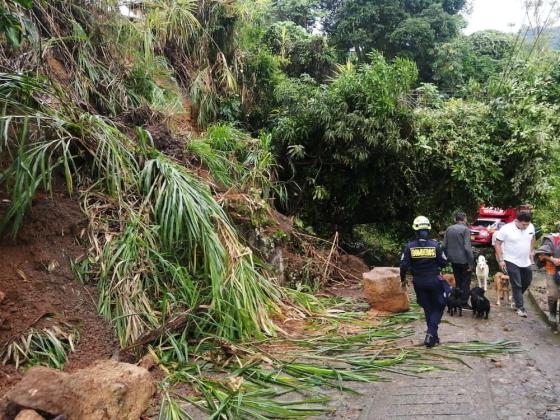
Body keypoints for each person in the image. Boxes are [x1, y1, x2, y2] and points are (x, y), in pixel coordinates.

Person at [400, 216, 448, 347]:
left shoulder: (409, 247)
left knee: (428, 308)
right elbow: (443, 263)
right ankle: (431, 333)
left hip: (418, 282)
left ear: (416, 231)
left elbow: (403, 266)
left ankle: (434, 338)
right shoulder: (435, 245)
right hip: (434, 280)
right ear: (428, 229)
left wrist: (403, 280)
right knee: (439, 305)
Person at [494, 211, 536, 318]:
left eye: (527, 224)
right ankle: (520, 308)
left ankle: (515, 298)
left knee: (527, 280)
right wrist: (501, 260)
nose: (526, 226)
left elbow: (533, 238)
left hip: (525, 260)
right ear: (517, 221)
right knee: (517, 283)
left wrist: (532, 250)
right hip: (510, 260)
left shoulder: (530, 227)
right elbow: (497, 244)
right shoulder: (506, 229)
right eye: (523, 224)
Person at [443, 212, 474, 308]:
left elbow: (444, 245)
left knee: (458, 280)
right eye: (466, 218)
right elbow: (467, 248)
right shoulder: (465, 229)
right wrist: (471, 262)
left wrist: (448, 257)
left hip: (453, 259)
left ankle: (456, 300)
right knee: (465, 282)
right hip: (464, 260)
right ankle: (464, 302)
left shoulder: (449, 229)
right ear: (464, 219)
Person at [534, 222, 560, 327]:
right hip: (553, 270)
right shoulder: (552, 240)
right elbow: (541, 254)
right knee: (553, 295)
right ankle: (552, 313)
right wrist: (552, 259)